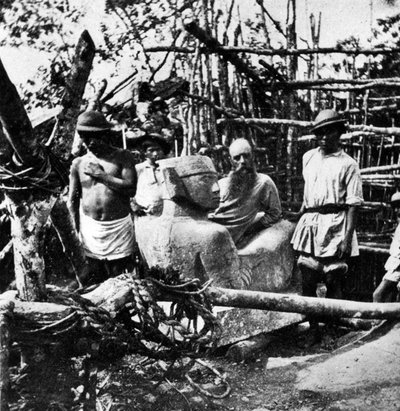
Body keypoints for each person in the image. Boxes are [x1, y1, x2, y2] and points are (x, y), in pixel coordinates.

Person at [291, 109, 363, 342]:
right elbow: (308, 192)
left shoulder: (348, 164)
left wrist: (346, 237)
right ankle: (313, 329)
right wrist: (299, 216)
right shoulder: (308, 157)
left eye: (328, 131)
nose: (323, 137)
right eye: (319, 132)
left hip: (336, 224)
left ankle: (331, 330)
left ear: (339, 132)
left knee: (333, 280)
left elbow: (353, 204)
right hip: (311, 223)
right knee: (308, 280)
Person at [137, 155, 244, 289]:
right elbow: (230, 296)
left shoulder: (145, 229)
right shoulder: (213, 234)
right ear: (174, 182)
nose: (216, 188)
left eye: (215, 179)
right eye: (205, 180)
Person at [68, 110, 137, 286]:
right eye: (84, 137)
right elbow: (73, 200)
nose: (88, 142)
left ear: (104, 135)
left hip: (118, 228)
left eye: (93, 137)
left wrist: (102, 175)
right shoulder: (79, 163)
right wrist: (74, 230)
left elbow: (130, 188)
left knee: (120, 277)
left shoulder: (122, 157)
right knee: (94, 277)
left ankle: (123, 313)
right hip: (90, 229)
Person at [209, 138, 282, 246]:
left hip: (226, 240)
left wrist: (249, 230)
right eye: (237, 158)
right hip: (208, 230)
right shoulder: (221, 184)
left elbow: (275, 213)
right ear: (230, 161)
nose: (242, 161)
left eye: (246, 156)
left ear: (253, 156)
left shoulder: (263, 183)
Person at [130, 133, 171, 217]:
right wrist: (133, 205)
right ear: (144, 153)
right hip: (144, 214)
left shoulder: (168, 168)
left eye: (158, 150)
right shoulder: (138, 169)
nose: (155, 154)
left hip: (167, 214)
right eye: (151, 150)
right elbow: (129, 190)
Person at [373, 192, 400, 303]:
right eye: (395, 207)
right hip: (396, 265)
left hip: (398, 265)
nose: (396, 210)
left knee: (379, 294)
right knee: (381, 295)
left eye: (399, 207)